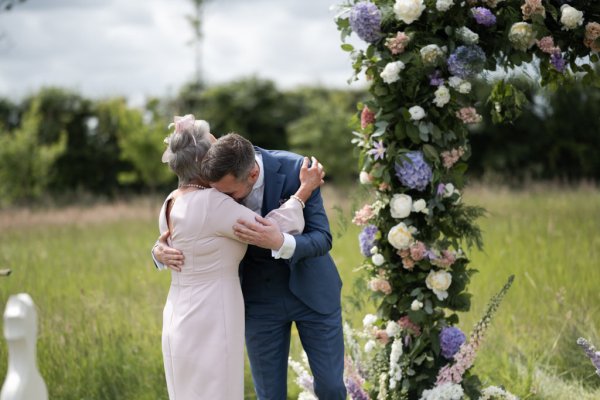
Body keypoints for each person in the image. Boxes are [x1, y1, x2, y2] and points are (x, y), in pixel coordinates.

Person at [154, 133, 346, 400]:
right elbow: (190, 217)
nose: (223, 200)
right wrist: (158, 250)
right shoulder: (217, 175)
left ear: (253, 174)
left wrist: (282, 242)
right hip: (258, 301)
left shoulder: (297, 170)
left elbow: (322, 238)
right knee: (269, 395)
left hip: (312, 292)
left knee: (331, 389)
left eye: (230, 194)